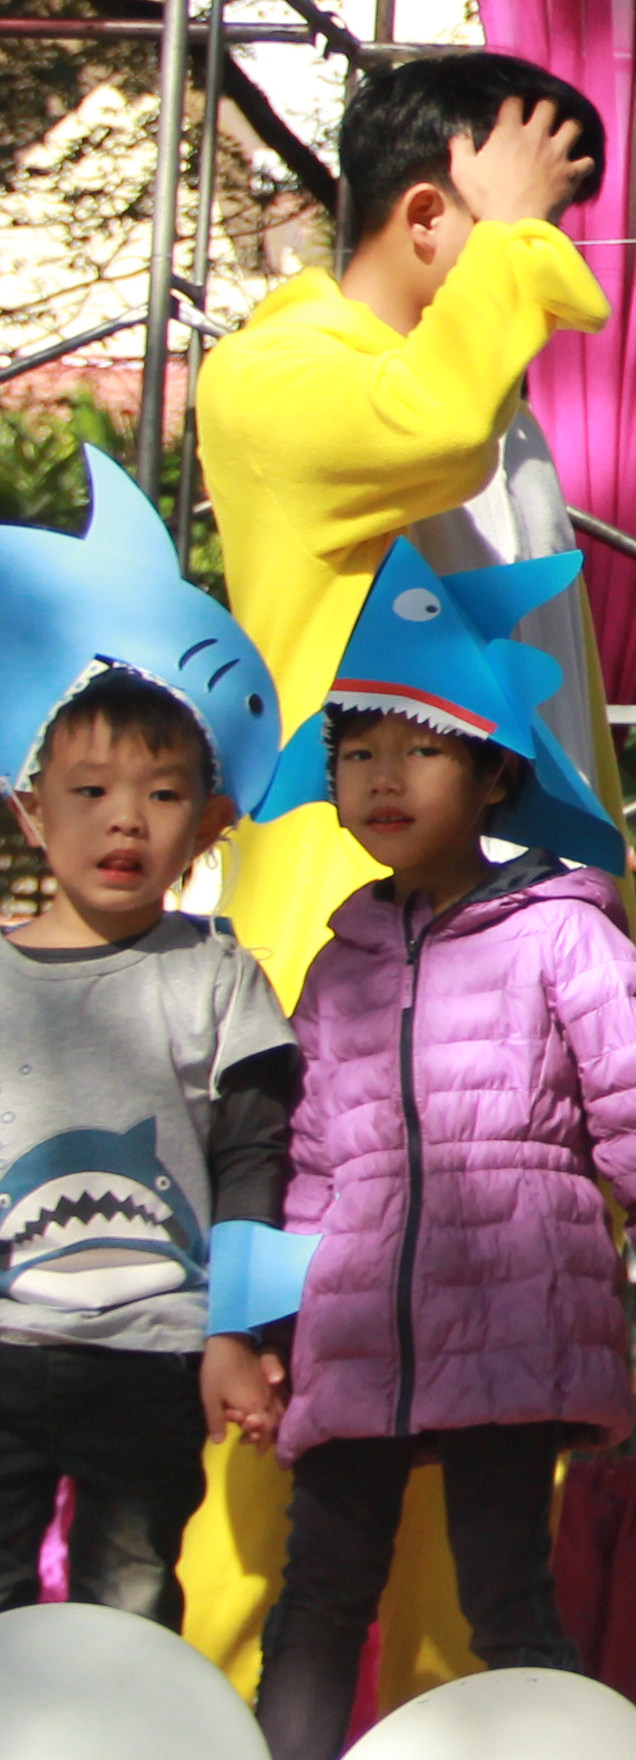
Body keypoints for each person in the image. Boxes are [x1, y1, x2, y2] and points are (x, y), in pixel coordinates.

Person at [250, 541, 636, 1760]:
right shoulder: (337, 962)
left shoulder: (564, 933)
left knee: (506, 1594)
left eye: (421, 749)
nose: (383, 778)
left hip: (514, 1317)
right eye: (358, 753)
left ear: (496, 772)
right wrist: (274, 1324)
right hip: (356, 1328)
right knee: (320, 1590)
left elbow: (633, 1108)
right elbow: (310, 1162)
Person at [200, 54, 616, 983]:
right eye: (528, 222)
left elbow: (555, 703)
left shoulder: (506, 417)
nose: (545, 254)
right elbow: (439, 427)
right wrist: (510, 241)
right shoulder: (267, 375)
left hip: (534, 958)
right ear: (428, 215)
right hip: (343, 969)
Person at [0, 600, 292, 1624]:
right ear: (32, 813)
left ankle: (125, 1741)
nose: (125, 819)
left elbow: (255, 1162)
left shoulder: (217, 977)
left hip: (155, 1354)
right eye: (90, 791)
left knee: (127, 1601)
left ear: (207, 825)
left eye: (163, 795)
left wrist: (237, 1336)